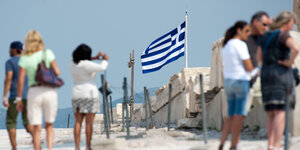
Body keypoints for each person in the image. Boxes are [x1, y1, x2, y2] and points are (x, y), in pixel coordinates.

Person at [256, 11, 299, 150]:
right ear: (287, 23)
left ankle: (270, 144)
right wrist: (289, 62)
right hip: (280, 76)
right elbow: (296, 48)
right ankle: (276, 144)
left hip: (266, 75)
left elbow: (259, 58)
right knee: (280, 111)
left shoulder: (265, 36)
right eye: (292, 23)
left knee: (271, 113)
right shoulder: (283, 35)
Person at [16, 30, 61, 150]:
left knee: (36, 128)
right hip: (49, 91)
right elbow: (57, 71)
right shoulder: (47, 54)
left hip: (34, 92)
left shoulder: (25, 58)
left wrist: (19, 99)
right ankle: (50, 148)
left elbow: (20, 80)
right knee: (49, 125)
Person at [219, 21, 253, 150]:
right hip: (240, 81)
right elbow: (249, 66)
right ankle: (233, 145)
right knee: (239, 116)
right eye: (247, 31)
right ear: (239, 30)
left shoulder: (226, 46)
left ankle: (222, 143)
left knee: (231, 115)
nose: (248, 34)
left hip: (229, 82)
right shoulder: (240, 45)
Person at [70, 44, 109, 150]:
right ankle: (88, 146)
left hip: (76, 94)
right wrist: (105, 59)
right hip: (89, 94)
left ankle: (77, 147)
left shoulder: (72, 63)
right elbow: (102, 67)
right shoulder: (87, 65)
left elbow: (83, 60)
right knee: (89, 123)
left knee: (77, 122)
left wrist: (95, 57)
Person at [2, 41, 33, 150]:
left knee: (11, 121)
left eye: (10, 48)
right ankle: (37, 142)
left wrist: (4, 96)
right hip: (28, 96)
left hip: (15, 96)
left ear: (14, 49)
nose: (9, 51)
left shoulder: (10, 62)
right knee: (28, 122)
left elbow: (9, 78)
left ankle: (14, 148)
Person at [246, 11, 270, 111]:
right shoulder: (243, 38)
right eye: (264, 25)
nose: (266, 28)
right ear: (255, 22)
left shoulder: (263, 38)